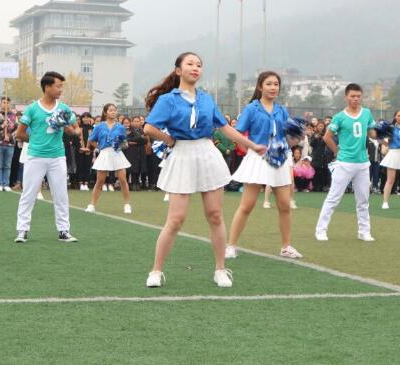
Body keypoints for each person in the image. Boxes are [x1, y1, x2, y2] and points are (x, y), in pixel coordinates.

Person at [143, 52, 264, 288]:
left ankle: (220, 269)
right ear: (179, 70)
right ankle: (156, 271)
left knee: (215, 215)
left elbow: (225, 128)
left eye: (199, 65)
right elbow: (149, 128)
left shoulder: (206, 99)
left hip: (207, 154)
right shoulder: (168, 100)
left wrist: (251, 145)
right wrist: (169, 140)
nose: (195, 68)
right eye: (190, 64)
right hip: (182, 154)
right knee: (175, 219)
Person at [225, 71, 303, 260]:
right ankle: (231, 245)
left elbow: (288, 137)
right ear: (260, 86)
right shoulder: (251, 109)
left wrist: (297, 137)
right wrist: (251, 147)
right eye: (269, 84)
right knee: (247, 205)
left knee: (284, 205)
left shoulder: (282, 110)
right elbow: (237, 133)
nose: (273, 87)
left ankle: (286, 246)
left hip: (280, 158)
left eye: (276, 84)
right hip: (258, 159)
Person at [14, 71, 80, 244]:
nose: (61, 90)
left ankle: (64, 231)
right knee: (28, 194)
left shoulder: (64, 108)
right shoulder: (32, 109)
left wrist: (68, 128)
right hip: (35, 157)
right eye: (58, 86)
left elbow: (76, 130)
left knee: (61, 195)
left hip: (57, 157)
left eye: (61, 86)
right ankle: (22, 230)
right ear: (47, 87)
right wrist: (36, 140)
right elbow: (19, 134)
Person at [314, 83, 377, 242]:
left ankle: (364, 231)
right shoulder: (339, 117)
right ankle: (321, 230)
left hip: (363, 163)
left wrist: (382, 132)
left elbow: (373, 133)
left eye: (358, 96)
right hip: (344, 163)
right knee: (333, 197)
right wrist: (337, 151)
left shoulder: (367, 113)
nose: (356, 99)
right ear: (346, 97)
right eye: (352, 96)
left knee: (363, 200)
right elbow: (327, 137)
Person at [85, 103, 133, 214]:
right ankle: (92, 205)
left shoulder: (120, 127)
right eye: (111, 110)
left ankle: (127, 204)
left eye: (114, 110)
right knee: (100, 181)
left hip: (118, 154)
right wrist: (100, 147)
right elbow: (91, 140)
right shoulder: (99, 126)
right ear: (105, 112)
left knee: (122, 179)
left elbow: (125, 143)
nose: (113, 112)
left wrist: (120, 146)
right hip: (104, 154)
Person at [0, 96, 17, 192]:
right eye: (4, 102)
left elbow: (16, 129)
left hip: (10, 144)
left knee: (7, 165)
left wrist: (9, 136)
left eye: (7, 103)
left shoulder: (13, 116)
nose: (5, 104)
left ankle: (6, 184)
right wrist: (2, 126)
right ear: (1, 103)